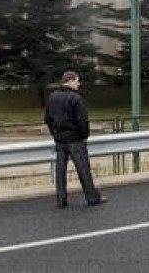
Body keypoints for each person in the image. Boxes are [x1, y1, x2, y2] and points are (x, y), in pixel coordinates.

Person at [44, 71, 108, 208]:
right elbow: (82, 121)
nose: (79, 84)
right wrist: (83, 136)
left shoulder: (52, 97)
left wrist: (55, 133)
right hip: (75, 139)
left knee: (60, 170)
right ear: (71, 81)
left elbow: (47, 119)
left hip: (60, 139)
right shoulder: (75, 98)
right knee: (83, 169)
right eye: (77, 81)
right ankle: (92, 197)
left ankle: (61, 200)